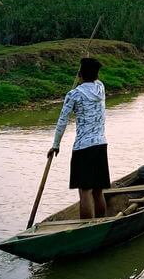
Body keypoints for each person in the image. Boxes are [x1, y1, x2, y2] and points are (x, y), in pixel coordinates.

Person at [47, 57, 110, 219]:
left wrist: (56, 145)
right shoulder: (100, 88)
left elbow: (62, 122)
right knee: (98, 190)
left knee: (85, 191)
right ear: (96, 75)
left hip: (83, 148)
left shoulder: (74, 95)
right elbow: (92, 78)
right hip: (101, 145)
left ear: (80, 74)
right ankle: (101, 223)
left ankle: (86, 228)